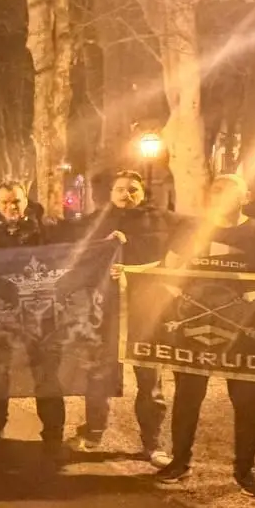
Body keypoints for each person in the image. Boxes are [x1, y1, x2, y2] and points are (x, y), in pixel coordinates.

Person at [156, 174, 255, 498]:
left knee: (247, 402)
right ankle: (180, 462)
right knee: (188, 398)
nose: (224, 197)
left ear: (245, 196)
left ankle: (245, 471)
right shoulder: (190, 229)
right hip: (193, 329)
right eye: (217, 191)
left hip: (245, 331)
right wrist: (130, 273)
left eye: (231, 191)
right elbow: (167, 268)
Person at [70, 170, 175, 466]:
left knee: (150, 381)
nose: (125, 195)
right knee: (99, 375)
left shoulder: (161, 220)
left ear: (143, 193)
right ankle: (93, 432)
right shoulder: (97, 221)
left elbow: (176, 256)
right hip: (104, 312)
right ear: (111, 193)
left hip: (146, 312)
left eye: (132, 190)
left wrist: (128, 253)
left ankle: (153, 444)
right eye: (119, 189)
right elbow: (72, 246)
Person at [0, 181, 67, 460]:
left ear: (25, 201)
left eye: (16, 201)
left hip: (40, 315)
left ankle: (53, 435)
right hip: (0, 313)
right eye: (4, 202)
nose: (11, 207)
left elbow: (67, 258)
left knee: (45, 373)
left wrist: (110, 242)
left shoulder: (45, 229)